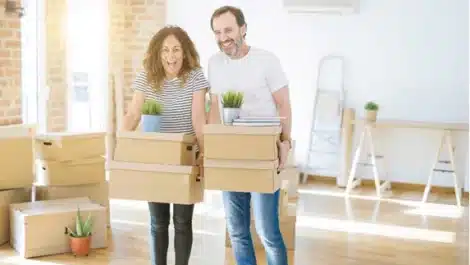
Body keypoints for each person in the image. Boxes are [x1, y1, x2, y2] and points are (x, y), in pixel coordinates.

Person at [207, 5, 292, 265]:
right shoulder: (214, 63)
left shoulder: (266, 60)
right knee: (237, 232)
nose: (223, 37)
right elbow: (214, 109)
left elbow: (284, 104)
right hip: (230, 154)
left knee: (268, 231)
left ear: (243, 28)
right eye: (218, 32)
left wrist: (286, 143)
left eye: (229, 30)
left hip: (263, 153)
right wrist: (212, 148)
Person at [122, 25, 209, 265]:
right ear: (157, 54)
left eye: (176, 50)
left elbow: (198, 120)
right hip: (155, 158)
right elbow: (133, 115)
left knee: (182, 222)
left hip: (185, 157)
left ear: (185, 52)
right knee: (158, 223)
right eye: (165, 51)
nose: (171, 56)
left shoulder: (195, 77)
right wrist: (120, 149)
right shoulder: (147, 77)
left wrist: (205, 155)